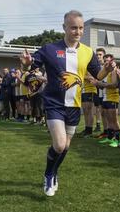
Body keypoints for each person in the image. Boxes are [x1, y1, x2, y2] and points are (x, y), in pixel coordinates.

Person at [20, 10, 112, 197]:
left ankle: (54, 172)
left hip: (74, 106)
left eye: (80, 28)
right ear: (64, 28)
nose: (77, 32)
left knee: (65, 147)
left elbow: (98, 75)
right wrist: (26, 64)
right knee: (60, 144)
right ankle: (48, 174)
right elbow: (30, 67)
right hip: (54, 103)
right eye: (73, 28)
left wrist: (107, 69)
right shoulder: (49, 49)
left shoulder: (87, 52)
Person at [96, 53, 120, 148]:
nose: (107, 62)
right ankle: (110, 137)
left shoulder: (114, 70)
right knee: (109, 119)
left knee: (114, 119)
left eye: (108, 60)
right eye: (105, 60)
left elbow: (114, 84)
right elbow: (99, 77)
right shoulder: (106, 70)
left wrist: (101, 84)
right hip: (106, 97)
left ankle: (117, 140)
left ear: (112, 61)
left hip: (113, 97)